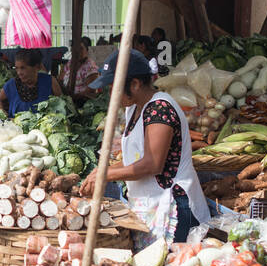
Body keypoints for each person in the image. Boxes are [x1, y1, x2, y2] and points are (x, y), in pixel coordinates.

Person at [79, 49, 211, 247]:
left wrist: (106, 175)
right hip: (150, 204)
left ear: (135, 84)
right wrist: (99, 172)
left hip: (173, 205)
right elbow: (134, 160)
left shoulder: (160, 108)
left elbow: (152, 164)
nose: (110, 95)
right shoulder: (134, 108)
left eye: (113, 88)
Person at [0, 48, 63, 114]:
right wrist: (3, 113)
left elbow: (62, 102)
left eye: (23, 68)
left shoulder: (50, 81)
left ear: (36, 67)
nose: (19, 73)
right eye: (16, 68)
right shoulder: (11, 84)